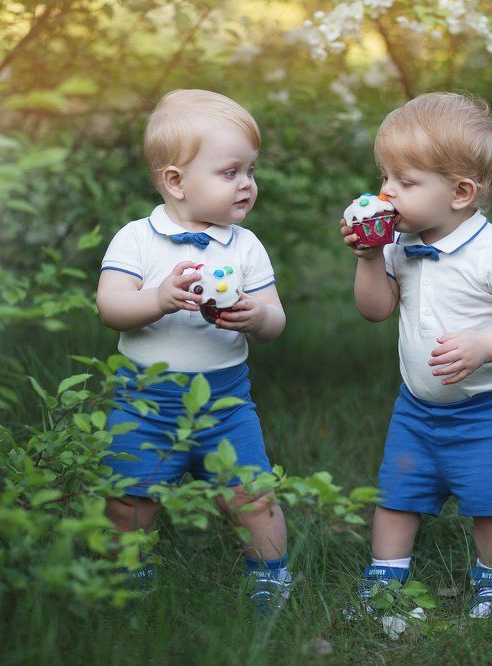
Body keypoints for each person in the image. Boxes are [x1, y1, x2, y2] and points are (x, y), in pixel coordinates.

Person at [340, 92, 492, 619]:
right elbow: (375, 310)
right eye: (385, 176)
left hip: (487, 408)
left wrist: (484, 345)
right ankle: (386, 578)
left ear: (461, 192)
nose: (387, 192)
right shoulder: (397, 243)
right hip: (417, 406)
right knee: (397, 493)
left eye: (406, 183)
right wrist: (369, 259)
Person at [97, 89, 290, 610]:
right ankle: (126, 582)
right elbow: (111, 307)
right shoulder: (137, 239)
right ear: (176, 181)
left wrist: (259, 316)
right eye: (231, 172)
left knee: (252, 493)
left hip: (225, 403)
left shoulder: (244, 246)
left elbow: (276, 321)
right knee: (129, 498)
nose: (247, 184)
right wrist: (158, 298)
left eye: (251, 171)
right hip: (145, 401)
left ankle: (270, 579)